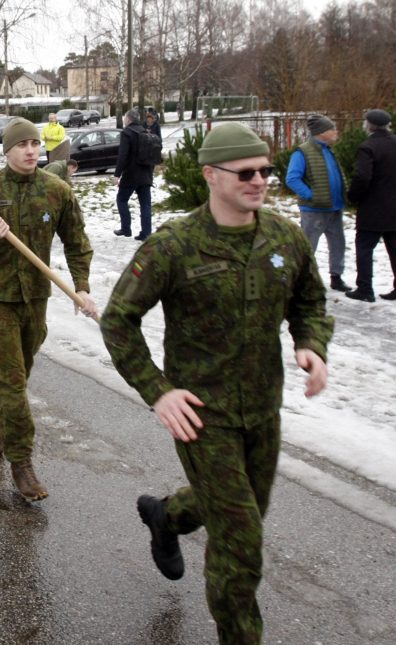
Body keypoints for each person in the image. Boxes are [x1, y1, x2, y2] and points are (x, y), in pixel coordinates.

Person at [100, 122, 334, 644]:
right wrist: (157, 390)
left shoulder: (283, 237)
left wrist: (311, 345)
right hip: (202, 414)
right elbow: (118, 319)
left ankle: (166, 515)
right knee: (241, 538)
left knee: (238, 508)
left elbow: (309, 301)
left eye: (266, 171)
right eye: (247, 172)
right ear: (210, 174)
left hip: (263, 408)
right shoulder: (174, 245)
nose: (260, 181)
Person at [0, 118, 97, 500]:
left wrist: (81, 286)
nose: (31, 150)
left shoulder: (56, 191)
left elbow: (77, 242)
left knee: (20, 374)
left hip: (35, 298)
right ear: (8, 150)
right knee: (14, 380)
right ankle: (23, 463)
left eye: (35, 144)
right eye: (22, 145)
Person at [284, 114, 353, 292]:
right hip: (314, 209)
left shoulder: (329, 150)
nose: (336, 132)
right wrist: (311, 195)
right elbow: (292, 178)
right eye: (332, 129)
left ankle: (336, 277)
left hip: (334, 207)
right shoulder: (303, 152)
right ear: (321, 132)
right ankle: (300, 280)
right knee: (308, 246)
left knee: (338, 243)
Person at [345, 109, 396, 302]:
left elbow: (362, 177)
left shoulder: (368, 147)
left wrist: (353, 196)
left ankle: (365, 288)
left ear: (370, 125)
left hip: (373, 209)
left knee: (364, 248)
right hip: (394, 209)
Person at [113, 109, 154, 241]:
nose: (124, 120)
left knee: (121, 199)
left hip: (131, 174)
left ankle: (126, 228)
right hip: (146, 174)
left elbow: (123, 156)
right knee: (146, 205)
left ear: (128, 119)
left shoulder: (127, 133)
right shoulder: (145, 132)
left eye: (125, 118)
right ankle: (146, 233)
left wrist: (117, 174)